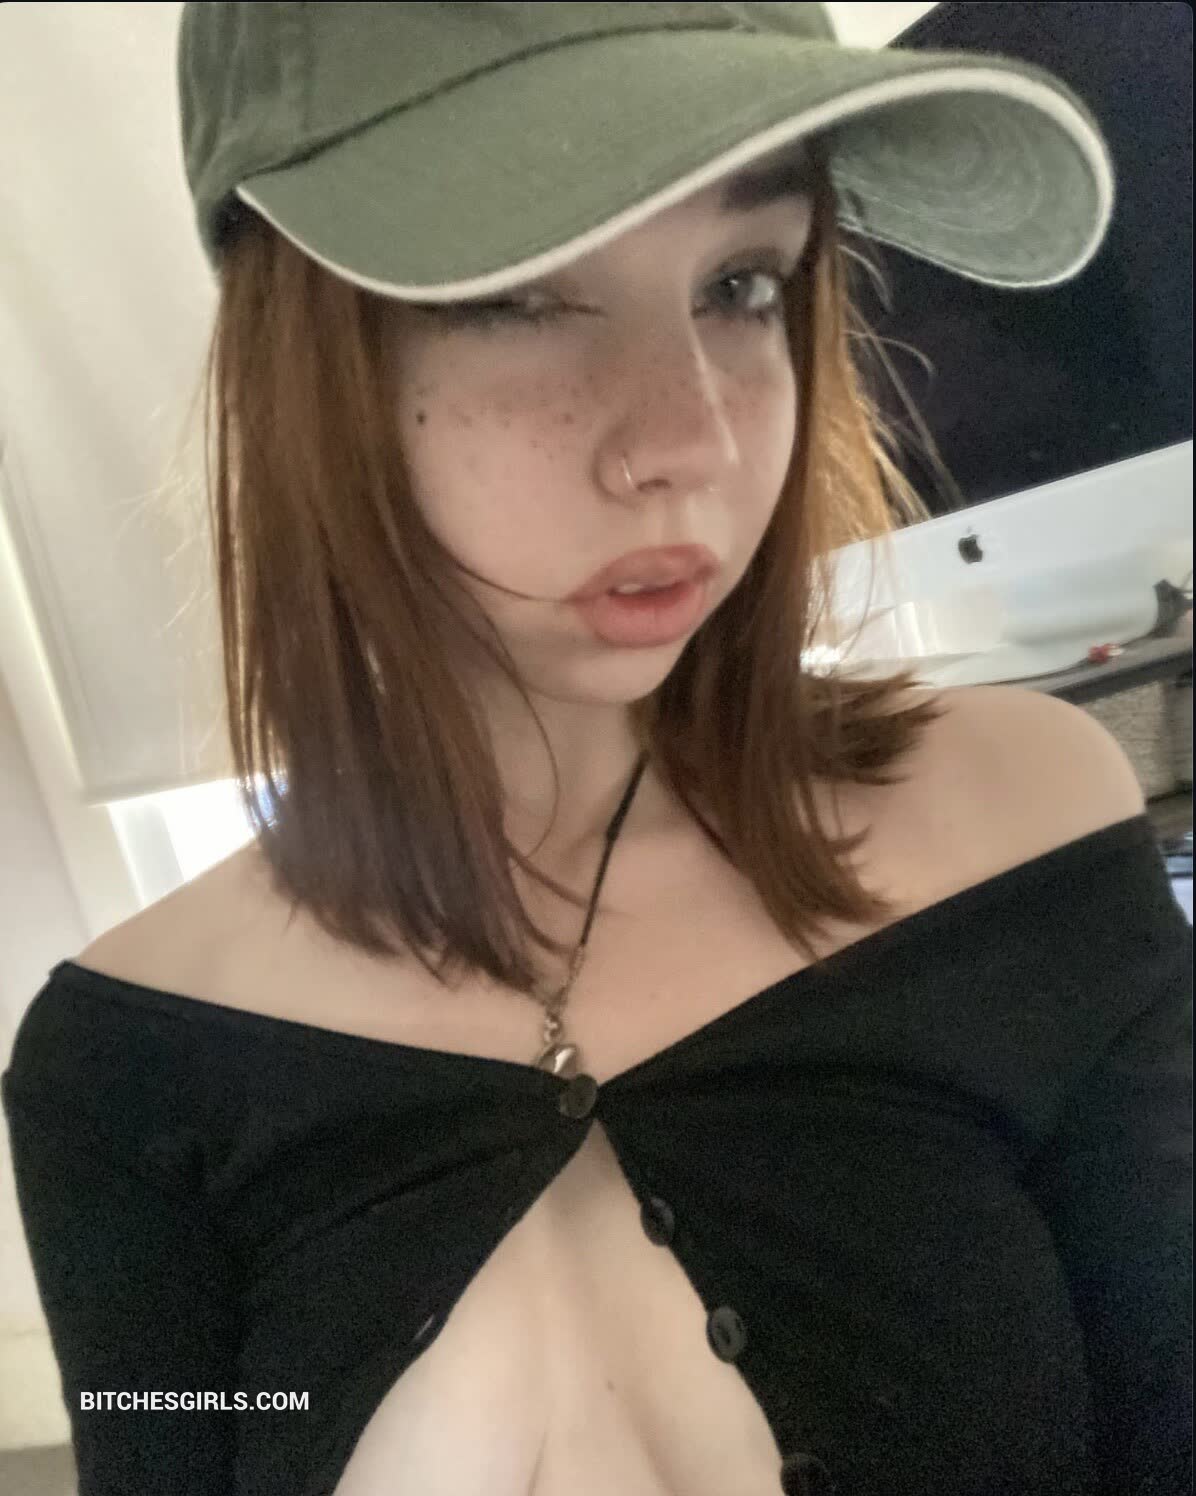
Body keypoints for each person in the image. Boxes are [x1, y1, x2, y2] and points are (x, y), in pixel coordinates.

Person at [3, 5, 1191, 1495]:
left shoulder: (1026, 826)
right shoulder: (128, 1066)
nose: (690, 442)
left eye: (743, 284)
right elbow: (165, 1433)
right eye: (516, 294)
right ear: (295, 358)